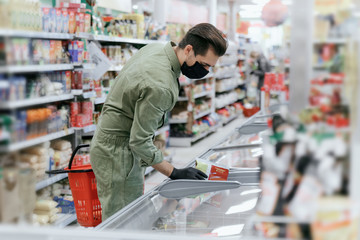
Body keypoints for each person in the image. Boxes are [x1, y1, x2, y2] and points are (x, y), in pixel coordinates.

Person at [90, 23, 228, 221]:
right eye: (205, 64)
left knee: (127, 215)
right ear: (189, 49)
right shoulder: (160, 85)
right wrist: (174, 172)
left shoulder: (158, 49)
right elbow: (139, 142)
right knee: (123, 223)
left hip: (112, 143)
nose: (206, 70)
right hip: (118, 155)